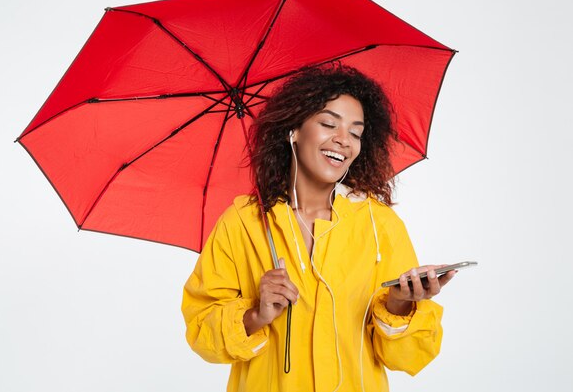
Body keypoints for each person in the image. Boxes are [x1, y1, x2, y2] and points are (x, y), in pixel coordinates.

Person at [181, 65, 455, 392]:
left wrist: (400, 304)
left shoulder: (379, 224)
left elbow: (407, 359)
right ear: (293, 130)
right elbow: (201, 330)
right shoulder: (244, 221)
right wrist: (256, 314)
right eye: (328, 124)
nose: (343, 141)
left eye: (356, 133)